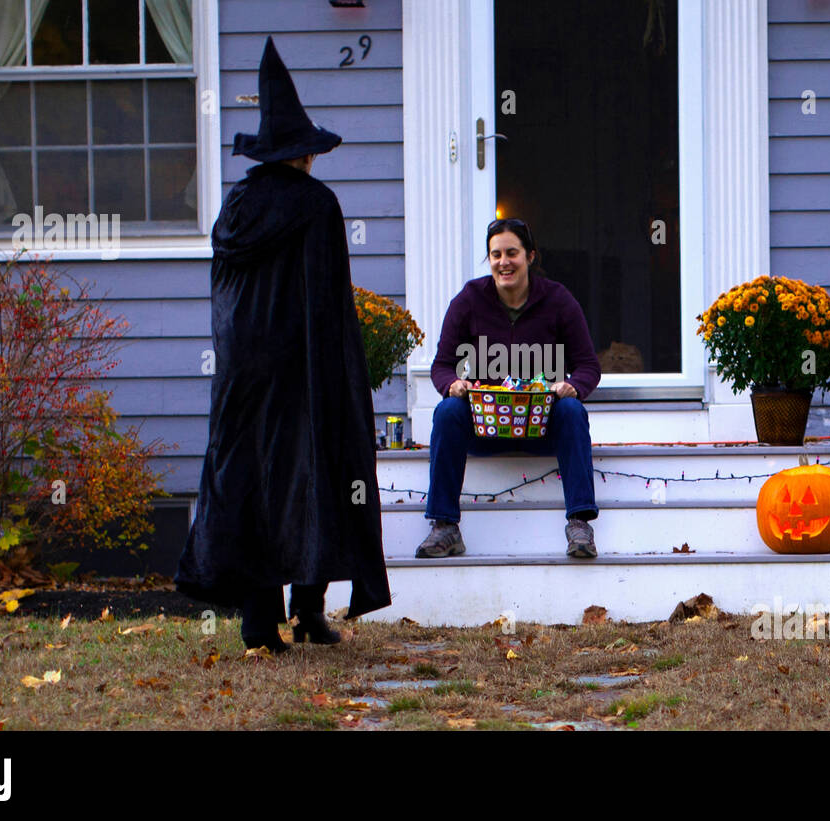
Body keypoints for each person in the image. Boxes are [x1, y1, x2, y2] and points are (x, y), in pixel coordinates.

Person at [175, 37, 390, 651]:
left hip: (243, 375)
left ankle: (256, 624)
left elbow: (227, 297)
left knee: (251, 481)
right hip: (302, 371)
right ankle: (309, 611)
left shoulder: (235, 206)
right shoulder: (317, 207)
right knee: (314, 478)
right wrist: (340, 374)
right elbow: (328, 302)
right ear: (303, 156)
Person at [418, 218, 602, 558]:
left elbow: (588, 366)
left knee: (573, 411)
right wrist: (452, 383)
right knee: (447, 411)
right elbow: (442, 365)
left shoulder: (558, 300)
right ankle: (444, 527)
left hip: (542, 423)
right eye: (496, 254)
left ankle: (580, 524)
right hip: (486, 424)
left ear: (530, 256)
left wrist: (573, 387)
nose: (504, 262)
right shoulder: (470, 299)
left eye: (512, 253)